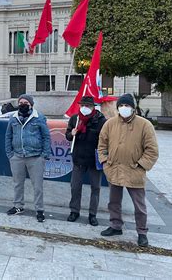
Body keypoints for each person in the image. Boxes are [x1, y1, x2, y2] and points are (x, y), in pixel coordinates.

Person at [98, 93, 159, 247]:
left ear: (133, 108)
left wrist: (140, 166)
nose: (124, 108)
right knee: (114, 201)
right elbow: (102, 145)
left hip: (134, 171)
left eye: (127, 106)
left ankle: (142, 232)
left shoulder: (145, 125)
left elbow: (152, 151)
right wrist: (105, 161)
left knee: (139, 205)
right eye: (121, 106)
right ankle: (115, 226)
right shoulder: (110, 124)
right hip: (114, 169)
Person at [4, 94, 50, 222]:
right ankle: (18, 206)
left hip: (35, 157)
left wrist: (44, 155)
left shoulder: (39, 117)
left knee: (38, 186)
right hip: (17, 156)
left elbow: (46, 136)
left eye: (26, 103)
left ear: (31, 105)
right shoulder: (13, 118)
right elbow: (8, 136)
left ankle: (39, 210)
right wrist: (10, 154)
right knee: (18, 184)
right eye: (21, 102)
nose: (23, 105)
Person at [65, 96, 107, 226]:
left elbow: (106, 140)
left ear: (93, 107)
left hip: (95, 159)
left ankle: (92, 214)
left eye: (88, 106)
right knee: (75, 186)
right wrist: (71, 133)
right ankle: (74, 211)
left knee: (95, 187)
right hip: (78, 158)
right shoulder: (74, 119)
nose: (85, 108)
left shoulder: (101, 121)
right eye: (82, 105)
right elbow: (68, 136)